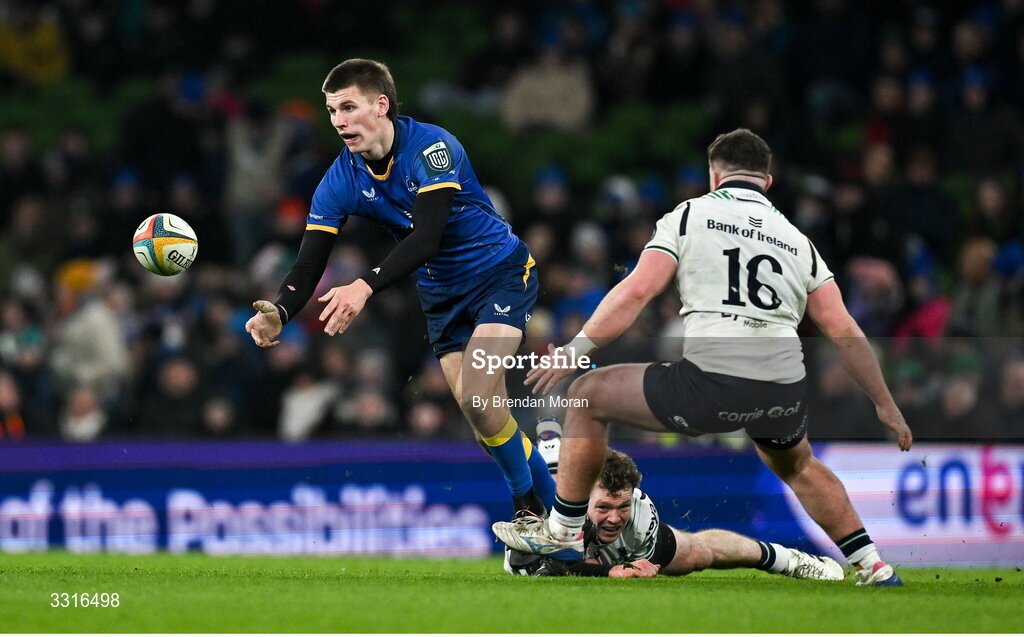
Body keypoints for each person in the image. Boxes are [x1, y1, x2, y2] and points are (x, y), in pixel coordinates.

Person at [494, 129, 912, 586]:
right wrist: (884, 402)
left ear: (714, 175)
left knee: (588, 394)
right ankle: (873, 565)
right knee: (797, 464)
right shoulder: (797, 242)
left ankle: (565, 533)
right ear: (767, 182)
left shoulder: (691, 216)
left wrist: (575, 351)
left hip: (713, 381)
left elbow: (636, 291)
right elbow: (845, 330)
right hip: (783, 387)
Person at [245, 59, 555, 516]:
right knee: (484, 420)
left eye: (349, 107)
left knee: (476, 396)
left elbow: (427, 237)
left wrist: (364, 286)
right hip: (442, 296)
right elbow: (309, 263)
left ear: (381, 105)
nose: (339, 121)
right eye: (332, 111)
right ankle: (565, 507)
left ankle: (532, 512)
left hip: (500, 276)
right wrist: (280, 311)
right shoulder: (340, 179)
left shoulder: (432, 148)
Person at [506, 433, 845, 581]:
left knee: (699, 552)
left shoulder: (640, 516)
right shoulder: (546, 512)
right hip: (561, 523)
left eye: (621, 505)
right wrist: (606, 572)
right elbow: (533, 570)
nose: (614, 518)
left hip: (618, 549)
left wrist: (633, 566)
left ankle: (793, 561)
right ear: (579, 498)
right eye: (605, 507)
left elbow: (637, 556)